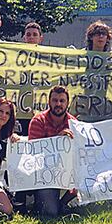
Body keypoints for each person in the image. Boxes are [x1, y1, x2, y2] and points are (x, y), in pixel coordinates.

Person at [27, 86, 77, 217]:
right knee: (50, 212)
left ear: (67, 103)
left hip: (67, 171)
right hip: (45, 173)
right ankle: (52, 203)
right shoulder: (38, 121)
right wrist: (57, 141)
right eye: (55, 100)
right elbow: (35, 153)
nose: (58, 104)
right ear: (49, 101)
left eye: (62, 101)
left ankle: (63, 203)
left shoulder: (74, 123)